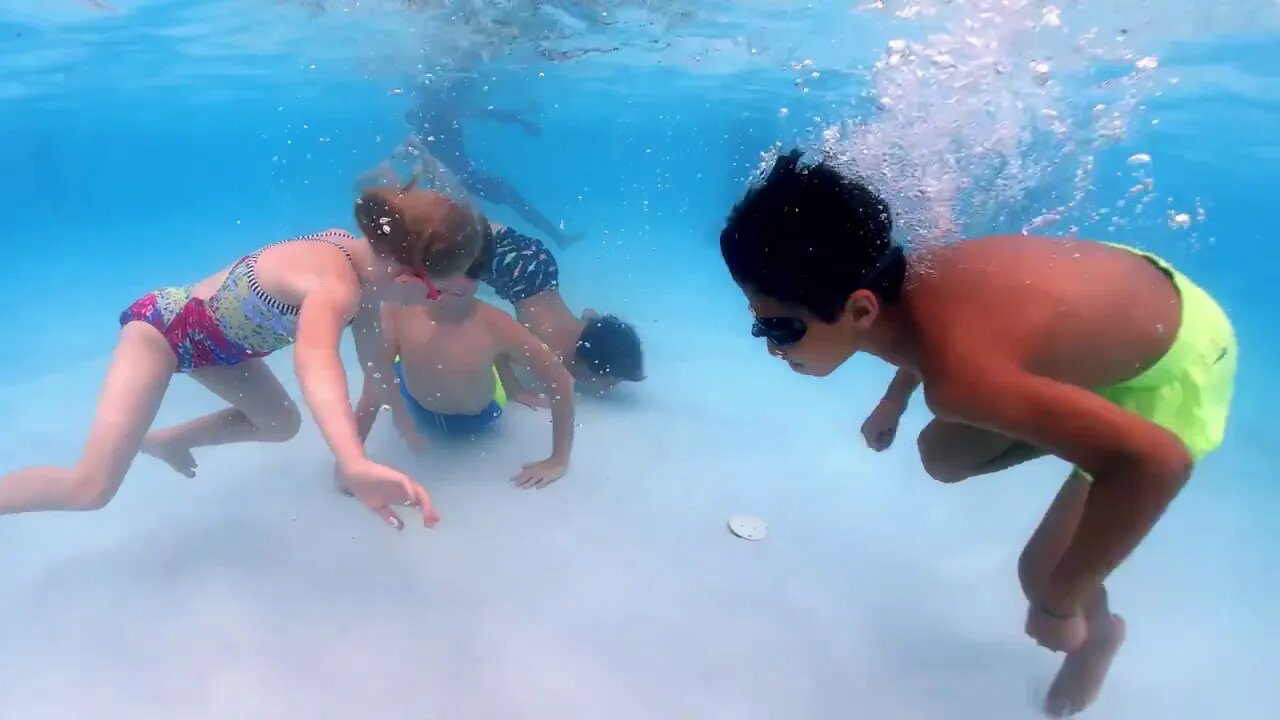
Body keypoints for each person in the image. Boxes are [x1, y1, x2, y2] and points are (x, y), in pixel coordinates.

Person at [719, 149, 1236, 717]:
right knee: (940, 454)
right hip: (1132, 307)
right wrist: (894, 400)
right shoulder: (908, 278)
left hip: (1178, 362)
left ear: (861, 309)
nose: (768, 345)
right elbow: (935, 331)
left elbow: (1158, 464)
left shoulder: (961, 380)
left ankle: (1099, 636)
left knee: (1041, 576)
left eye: (777, 326)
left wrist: (1059, 607)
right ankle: (1077, 422)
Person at [0, 185, 488, 532]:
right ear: (408, 281)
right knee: (90, 489)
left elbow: (371, 356)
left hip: (222, 352)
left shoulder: (359, 266)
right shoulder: (333, 283)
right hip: (163, 332)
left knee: (279, 423)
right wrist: (353, 459)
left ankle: (168, 441)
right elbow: (317, 362)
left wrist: (385, 395)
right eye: (437, 293)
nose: (434, 303)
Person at [369, 147, 646, 395]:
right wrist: (514, 390)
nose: (608, 388)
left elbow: (590, 313)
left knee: (462, 216)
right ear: (590, 365)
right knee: (439, 234)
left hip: (541, 266)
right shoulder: (554, 356)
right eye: (609, 381)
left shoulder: (589, 326)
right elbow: (499, 349)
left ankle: (424, 157)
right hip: (510, 272)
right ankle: (398, 181)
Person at [355, 272, 576, 488]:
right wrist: (352, 461)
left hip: (478, 418)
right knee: (388, 361)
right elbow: (375, 381)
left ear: (482, 273)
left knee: (480, 346)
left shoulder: (496, 323)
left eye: (470, 272)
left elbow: (562, 380)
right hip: (413, 403)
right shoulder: (398, 309)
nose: (456, 282)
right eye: (446, 267)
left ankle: (506, 380)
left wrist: (558, 461)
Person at [371, 75, 583, 249]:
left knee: (504, 199)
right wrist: (522, 120)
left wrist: (521, 119)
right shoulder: (434, 116)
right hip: (458, 181)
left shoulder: (430, 118)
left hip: (460, 180)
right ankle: (556, 237)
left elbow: (485, 114)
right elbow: (483, 114)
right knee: (503, 201)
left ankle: (557, 237)